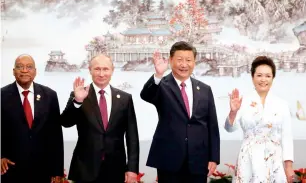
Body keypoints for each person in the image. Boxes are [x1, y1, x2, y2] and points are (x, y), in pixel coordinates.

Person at [140, 41, 220, 183]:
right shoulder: (162, 85)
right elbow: (146, 95)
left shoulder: (205, 89)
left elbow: (212, 126)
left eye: (188, 60)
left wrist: (214, 157)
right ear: (170, 61)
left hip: (198, 160)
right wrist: (158, 75)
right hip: (169, 159)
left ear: (194, 62)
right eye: (179, 60)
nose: (184, 64)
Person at [61, 54, 139, 183]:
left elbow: (132, 137)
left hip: (116, 169)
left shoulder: (125, 98)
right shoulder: (79, 95)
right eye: (97, 69)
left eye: (105, 69)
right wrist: (78, 101)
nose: (101, 74)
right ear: (90, 70)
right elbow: (65, 122)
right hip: (85, 168)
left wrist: (132, 169)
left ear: (112, 70)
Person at [225, 56, 295, 182]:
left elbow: (287, 136)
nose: (263, 79)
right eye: (259, 75)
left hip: (274, 159)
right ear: (252, 77)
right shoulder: (242, 101)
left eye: (268, 76)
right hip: (248, 158)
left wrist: (288, 166)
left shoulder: (282, 104)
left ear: (273, 78)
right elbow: (229, 128)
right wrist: (233, 112)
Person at [1, 54, 64, 183]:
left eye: (29, 67)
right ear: (14, 71)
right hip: (11, 168)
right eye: (20, 67)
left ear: (35, 72)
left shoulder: (50, 95)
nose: (24, 70)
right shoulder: (2, 96)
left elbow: (56, 135)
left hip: (43, 169)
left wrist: (57, 171)